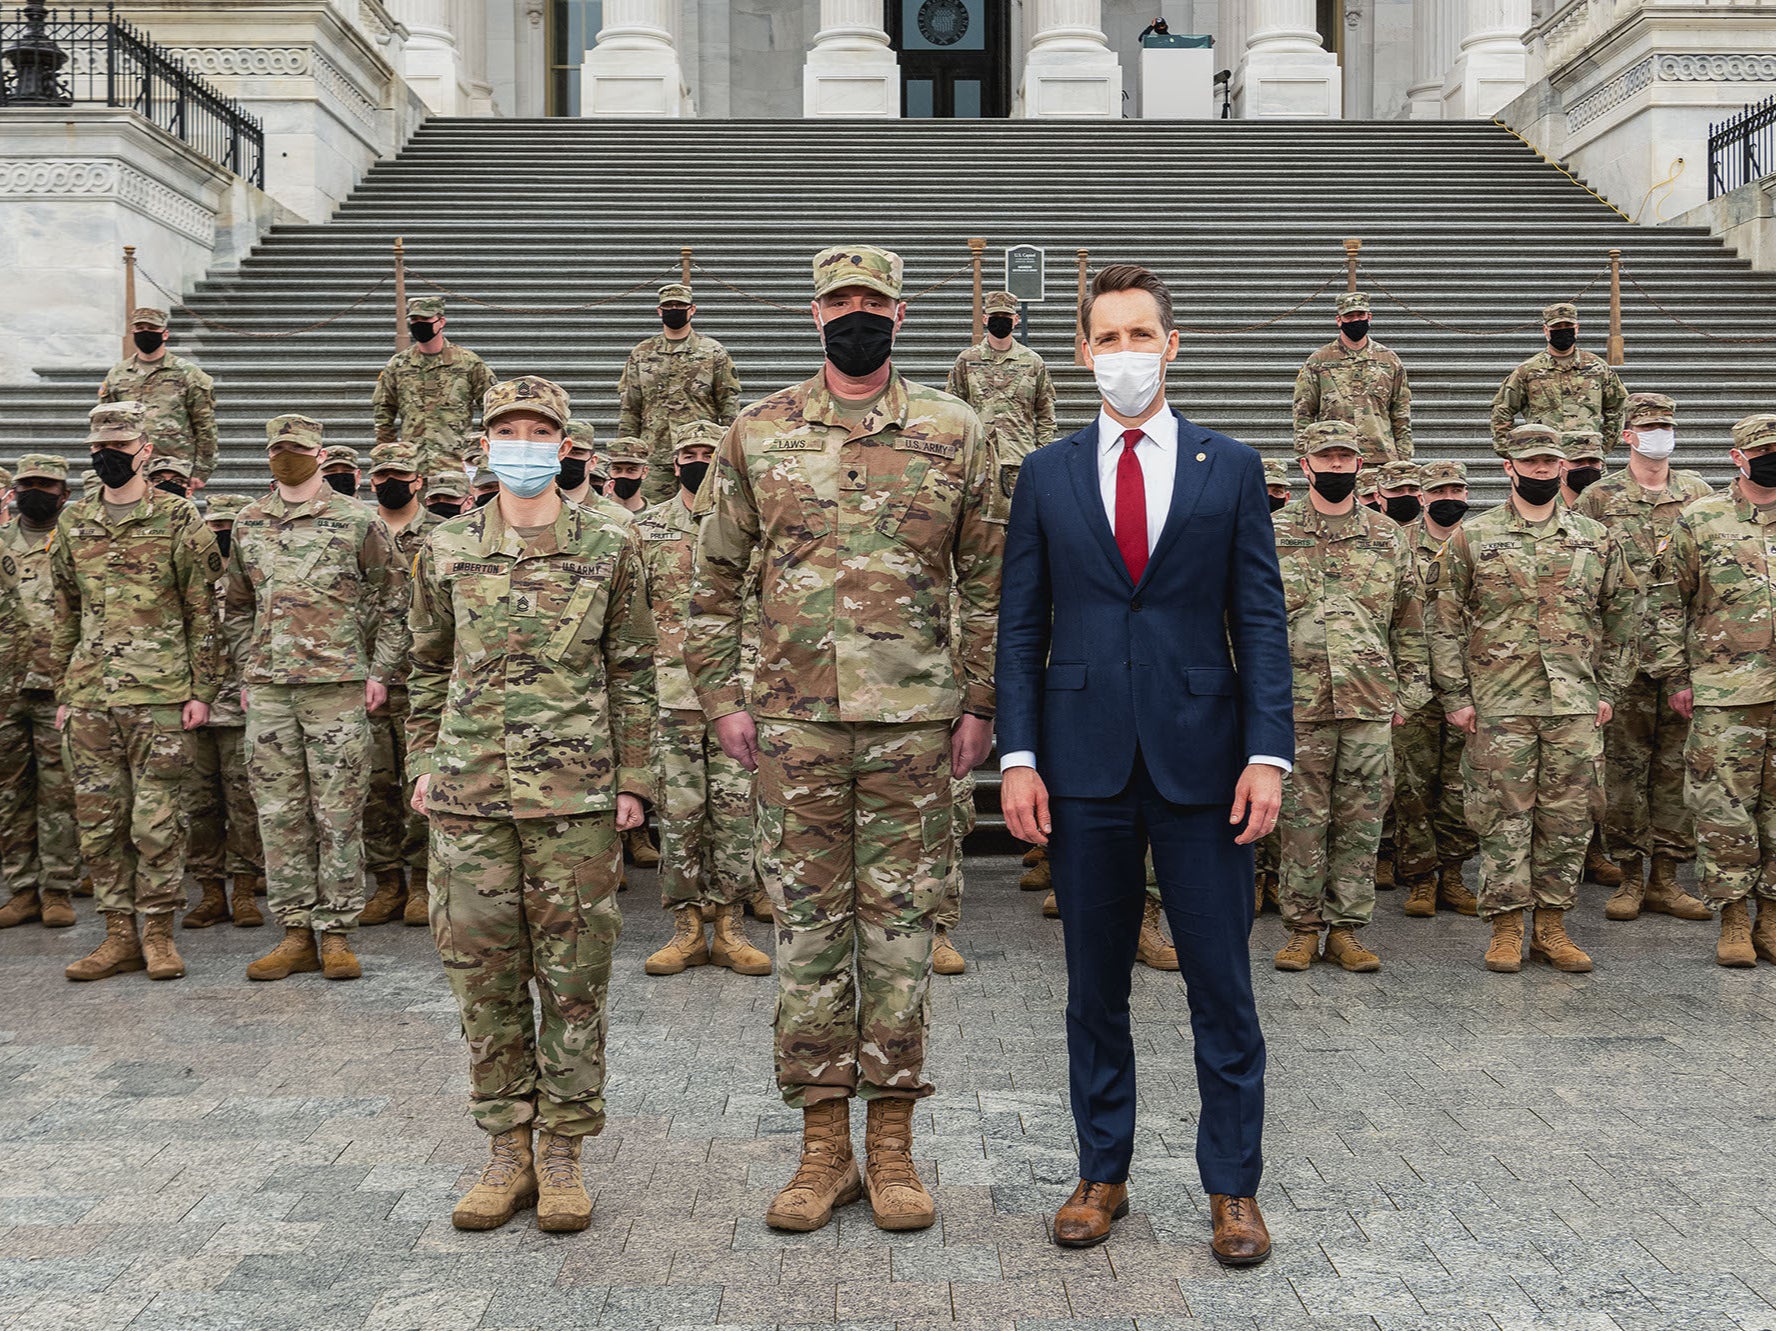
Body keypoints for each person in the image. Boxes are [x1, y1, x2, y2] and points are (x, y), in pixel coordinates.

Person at [685, 244, 1002, 1236]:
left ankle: (895, 1146)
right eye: (839, 301)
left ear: (901, 315)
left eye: (873, 300)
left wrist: (984, 700)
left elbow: (991, 580)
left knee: (900, 934)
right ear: (812, 312)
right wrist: (719, 694)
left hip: (913, 725)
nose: (855, 314)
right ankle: (822, 1147)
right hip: (793, 727)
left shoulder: (957, 431)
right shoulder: (759, 431)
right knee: (810, 938)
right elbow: (712, 576)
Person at [997, 263, 1290, 1263]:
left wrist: (1267, 754)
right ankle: (1102, 1170)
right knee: (1093, 988)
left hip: (1206, 764)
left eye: (1141, 334)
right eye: (1107, 336)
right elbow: (1020, 625)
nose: (1125, 352)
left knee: (1222, 985)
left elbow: (1260, 620)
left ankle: (1233, 1188)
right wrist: (1019, 754)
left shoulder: (1231, 466)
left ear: (1173, 343)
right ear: (1082, 352)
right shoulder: (1046, 473)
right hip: (1080, 766)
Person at [408, 374, 656, 1233]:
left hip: (574, 801)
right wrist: (420, 761)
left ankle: (563, 1151)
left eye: (536, 430)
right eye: (507, 430)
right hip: (469, 796)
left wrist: (633, 778)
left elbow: (632, 669)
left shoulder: (613, 542)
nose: (522, 444)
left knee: (574, 977)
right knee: (482, 976)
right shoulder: (443, 546)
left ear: (563, 445)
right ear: (485, 445)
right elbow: (427, 666)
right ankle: (505, 1147)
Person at [1429, 423, 1636, 974]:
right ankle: (1505, 926)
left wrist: (1609, 688)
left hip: (1574, 703)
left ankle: (1551, 927)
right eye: (1532, 462)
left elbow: (1623, 616)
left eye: (1551, 462)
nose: (1542, 471)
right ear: (1509, 467)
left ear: (1563, 467)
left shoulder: (1596, 537)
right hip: (1500, 704)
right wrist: (1455, 694)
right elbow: (1443, 619)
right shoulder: (1474, 537)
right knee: (1502, 817)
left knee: (1569, 818)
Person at [224, 414, 405, 982]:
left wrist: (380, 671)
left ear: (320, 454)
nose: (286, 457)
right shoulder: (248, 522)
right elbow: (235, 606)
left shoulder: (357, 520)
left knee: (338, 813)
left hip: (338, 688)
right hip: (272, 691)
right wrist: (247, 670)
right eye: (278, 448)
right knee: (279, 816)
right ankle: (296, 930)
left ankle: (338, 933)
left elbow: (397, 600)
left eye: (297, 448)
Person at [53, 403, 222, 982]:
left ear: (145, 450)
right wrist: (65, 690)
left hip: (161, 694)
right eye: (98, 449)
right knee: (99, 821)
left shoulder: (178, 518)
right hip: (91, 696)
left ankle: (156, 933)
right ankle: (116, 935)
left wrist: (202, 688)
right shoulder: (74, 522)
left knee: (156, 821)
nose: (107, 459)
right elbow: (66, 611)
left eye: (119, 450)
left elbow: (203, 612)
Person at [1272, 421, 1428, 974]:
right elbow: (1243, 623)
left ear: (1361, 465)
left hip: (1369, 705)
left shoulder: (1389, 537)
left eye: (1345, 458)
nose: (1336, 467)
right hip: (1297, 705)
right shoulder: (1273, 533)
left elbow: (1411, 624)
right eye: (1326, 458)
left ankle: (1347, 929)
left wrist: (1407, 695)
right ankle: (1301, 928)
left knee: (1362, 821)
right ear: (1305, 463)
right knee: (1301, 821)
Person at [637, 420, 769, 978]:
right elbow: (632, 618)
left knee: (738, 816)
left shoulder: (752, 526)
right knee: (680, 817)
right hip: (669, 697)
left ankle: (731, 925)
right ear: (673, 462)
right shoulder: (646, 530)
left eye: (706, 451)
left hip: (737, 696)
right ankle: (687, 927)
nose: (696, 459)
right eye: (686, 452)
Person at [1575, 393, 1713, 922]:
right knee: (1624, 771)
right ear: (1628, 435)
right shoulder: (1600, 497)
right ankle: (1630, 876)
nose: (1660, 434)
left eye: (1667, 426)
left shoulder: (1699, 495)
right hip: (1623, 658)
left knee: (1677, 769)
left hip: (1686, 654)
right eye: (1649, 426)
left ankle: (1667, 879)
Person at [1647, 412, 1776, 968]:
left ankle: (1771, 917)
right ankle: (1733, 919)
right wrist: (1676, 676)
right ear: (1738, 459)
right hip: (1726, 693)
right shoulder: (1701, 520)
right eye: (1765, 451)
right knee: (1723, 809)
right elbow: (1664, 601)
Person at [1395, 460, 1479, 918]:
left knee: (1460, 786)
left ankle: (1453, 873)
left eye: (1458, 490)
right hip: (1416, 686)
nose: (1450, 498)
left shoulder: (1480, 541)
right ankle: (1421, 876)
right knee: (1411, 786)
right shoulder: (1399, 543)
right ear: (1423, 497)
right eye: (1440, 490)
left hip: (1472, 684)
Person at [0, 454, 80, 931]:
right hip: (5, 686)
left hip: (57, 684)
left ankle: (57, 889)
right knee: (10, 792)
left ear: (64, 493)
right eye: (28, 483)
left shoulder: (76, 539)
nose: (36, 491)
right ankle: (21, 889)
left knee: (59, 791)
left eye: (46, 485)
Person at [183, 493, 267, 930]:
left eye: (227, 529)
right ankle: (210, 892)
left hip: (240, 709)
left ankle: (245, 891)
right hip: (195, 709)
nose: (220, 537)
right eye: (213, 529)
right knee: (199, 807)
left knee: (243, 806)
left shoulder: (253, 581)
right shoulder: (189, 579)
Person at [360, 442, 434, 928]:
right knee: (373, 785)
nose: (392, 482)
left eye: (401, 475)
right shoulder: (356, 531)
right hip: (365, 679)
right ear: (372, 482)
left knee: (422, 785)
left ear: (418, 482)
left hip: (420, 681)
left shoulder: (441, 535)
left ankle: (425, 881)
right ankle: (387, 882)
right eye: (383, 475)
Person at [617, 283, 743, 504]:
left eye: (680, 305)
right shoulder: (641, 353)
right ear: (659, 311)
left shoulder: (713, 352)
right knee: (652, 518)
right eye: (668, 305)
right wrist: (627, 454)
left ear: (692, 309)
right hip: (656, 455)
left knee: (706, 512)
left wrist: (729, 453)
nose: (674, 309)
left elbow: (729, 406)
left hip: (701, 454)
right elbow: (630, 407)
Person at [372, 296, 497, 473]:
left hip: (456, 465)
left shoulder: (467, 362)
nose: (418, 324)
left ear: (441, 322)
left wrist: (477, 448)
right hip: (413, 465)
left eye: (425, 319)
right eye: (415, 320)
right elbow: (383, 411)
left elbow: (492, 405)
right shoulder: (399, 365)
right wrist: (390, 454)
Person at [98, 307, 218, 488]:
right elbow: (105, 425)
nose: (145, 333)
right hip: (129, 465)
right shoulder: (118, 374)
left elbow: (204, 425)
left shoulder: (188, 373)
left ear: (165, 334)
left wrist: (202, 469)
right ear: (133, 332)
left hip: (173, 468)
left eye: (152, 329)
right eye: (140, 328)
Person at [1292, 291, 1412, 466]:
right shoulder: (1319, 360)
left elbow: (1401, 412)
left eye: (1360, 315)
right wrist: (1305, 453)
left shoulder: (1389, 360)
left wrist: (1404, 457)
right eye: (1349, 316)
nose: (1356, 320)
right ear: (1339, 320)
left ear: (1369, 316)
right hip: (1334, 457)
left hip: (1380, 457)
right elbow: (1303, 411)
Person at [1490, 301, 1628, 452]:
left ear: (1577, 328)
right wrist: (1510, 451)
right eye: (1556, 327)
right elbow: (1502, 410)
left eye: (1568, 327)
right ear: (1545, 330)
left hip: (1586, 458)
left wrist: (1603, 447)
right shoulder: (1528, 371)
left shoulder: (1598, 368)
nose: (1563, 331)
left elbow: (1617, 407)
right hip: (1545, 459)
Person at [604, 437, 651, 516]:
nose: (623, 476)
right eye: (617, 469)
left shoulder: (659, 517)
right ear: (609, 471)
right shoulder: (594, 515)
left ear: (644, 472)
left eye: (631, 470)